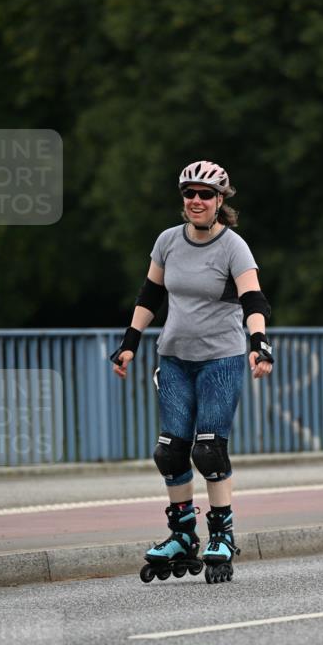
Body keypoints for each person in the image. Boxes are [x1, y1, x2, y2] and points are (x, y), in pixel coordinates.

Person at [111, 160, 273, 583]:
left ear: (220, 201)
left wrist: (259, 344)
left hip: (221, 358)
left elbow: (254, 300)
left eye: (205, 194)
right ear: (182, 199)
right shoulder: (167, 241)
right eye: (189, 194)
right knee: (169, 450)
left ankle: (222, 533)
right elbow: (151, 293)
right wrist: (129, 344)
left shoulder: (233, 246)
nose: (196, 201)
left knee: (208, 449)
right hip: (175, 359)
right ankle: (182, 534)